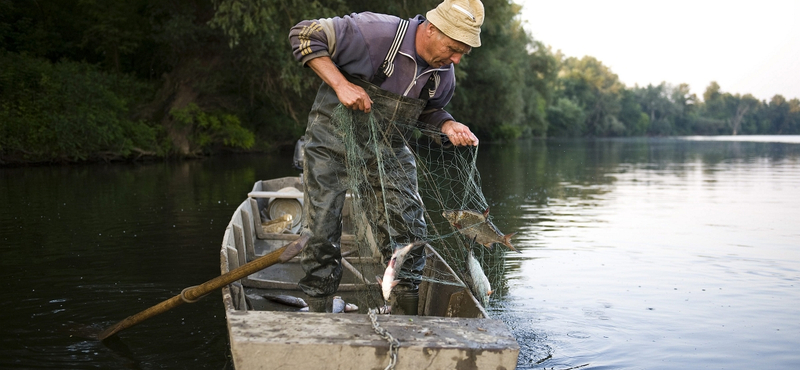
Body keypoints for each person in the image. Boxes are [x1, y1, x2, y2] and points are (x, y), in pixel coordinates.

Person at [288, 0, 483, 313]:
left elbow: (428, 112)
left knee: (409, 228)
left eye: (464, 52)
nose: (457, 59)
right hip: (331, 140)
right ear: (431, 29)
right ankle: (318, 305)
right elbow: (304, 34)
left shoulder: (443, 75)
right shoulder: (374, 33)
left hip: (388, 148)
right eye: (453, 47)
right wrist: (341, 84)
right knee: (323, 229)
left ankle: (404, 306)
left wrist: (447, 123)